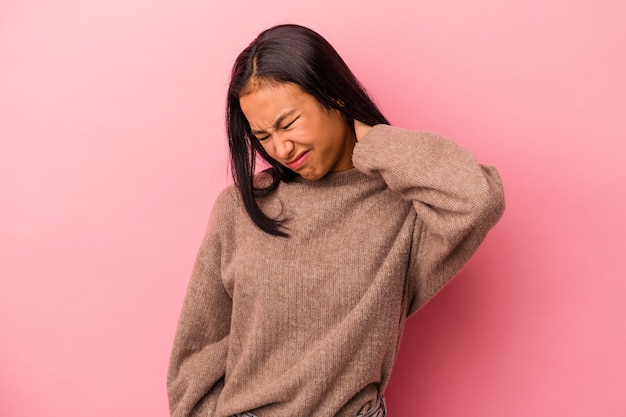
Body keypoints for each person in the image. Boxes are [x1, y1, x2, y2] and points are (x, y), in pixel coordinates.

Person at [167, 24, 505, 417]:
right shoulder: (241, 209)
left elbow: (476, 198)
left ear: (335, 96)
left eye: (288, 123)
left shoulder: (405, 207)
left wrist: (373, 141)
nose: (280, 148)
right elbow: (197, 353)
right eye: (262, 136)